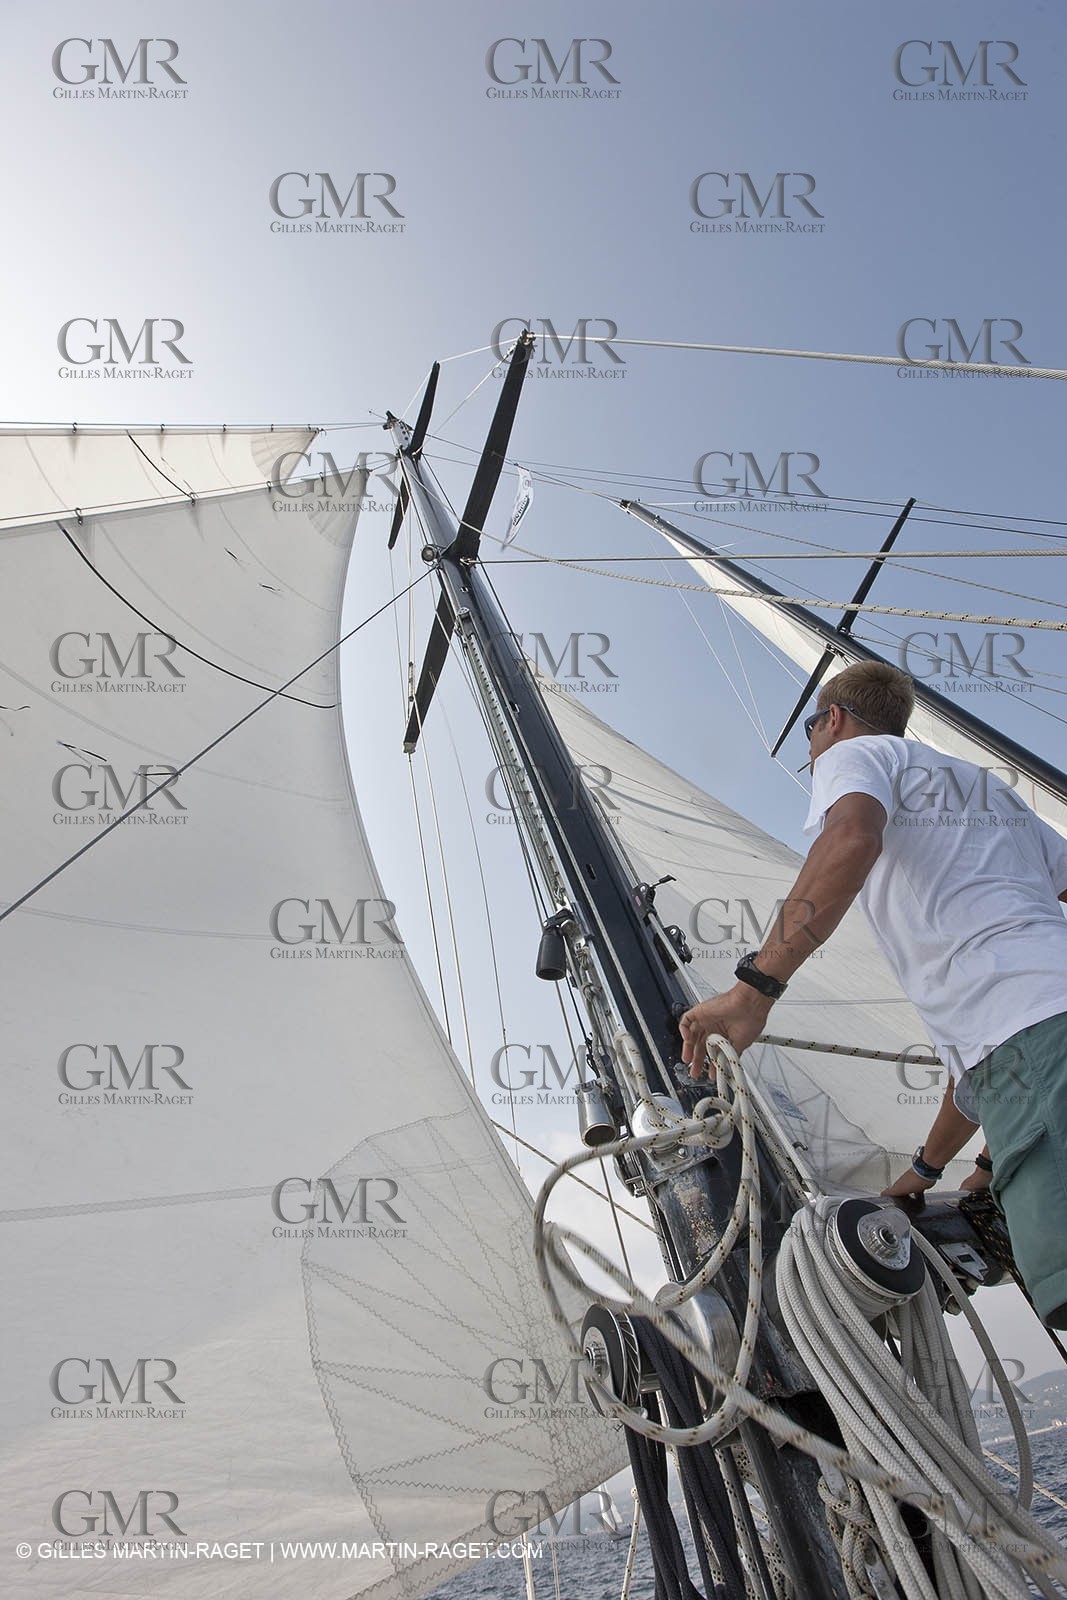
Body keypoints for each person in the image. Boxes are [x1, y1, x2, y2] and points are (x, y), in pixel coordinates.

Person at [678, 660, 1067, 1326]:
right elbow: (989, 1057)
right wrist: (935, 1172)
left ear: (832, 719)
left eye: (810, 729)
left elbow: (851, 836)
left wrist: (753, 992)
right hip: (1031, 1048)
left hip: (1034, 1049)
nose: (811, 748)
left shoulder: (856, 754)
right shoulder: (981, 787)